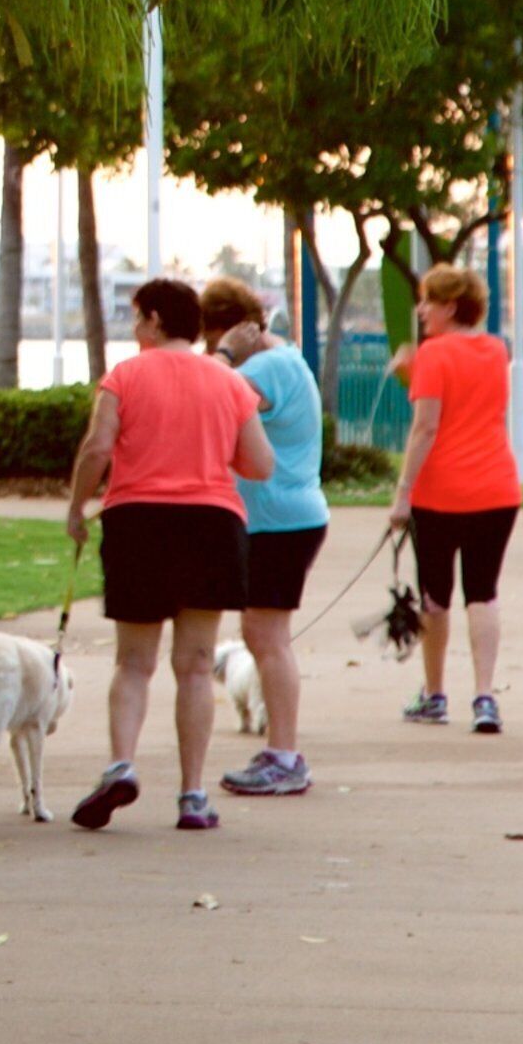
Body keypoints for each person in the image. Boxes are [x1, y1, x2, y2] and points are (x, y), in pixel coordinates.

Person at [64, 277, 275, 832]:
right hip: (212, 523)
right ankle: (192, 794)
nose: (135, 332)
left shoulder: (126, 376)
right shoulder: (227, 381)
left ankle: (121, 765)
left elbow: (97, 448)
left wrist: (76, 507)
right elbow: (259, 464)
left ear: (155, 320)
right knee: (198, 665)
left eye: (137, 320)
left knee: (134, 662)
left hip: (138, 521)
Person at [385, 263, 522, 734]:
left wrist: (402, 493)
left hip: (440, 491)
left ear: (449, 306)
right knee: (482, 592)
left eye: (428, 301)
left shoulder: (433, 353)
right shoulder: (495, 349)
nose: (421, 309)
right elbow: (468, 405)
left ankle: (435, 693)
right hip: (496, 487)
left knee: (435, 597)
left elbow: (427, 426)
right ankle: (484, 697)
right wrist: (414, 373)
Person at [202, 276, 325, 798]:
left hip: (280, 521)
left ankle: (285, 755)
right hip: (283, 518)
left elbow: (210, 395)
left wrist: (226, 353)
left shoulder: (266, 368)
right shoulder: (282, 359)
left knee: (267, 639)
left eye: (211, 338)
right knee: (261, 636)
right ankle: (281, 750)